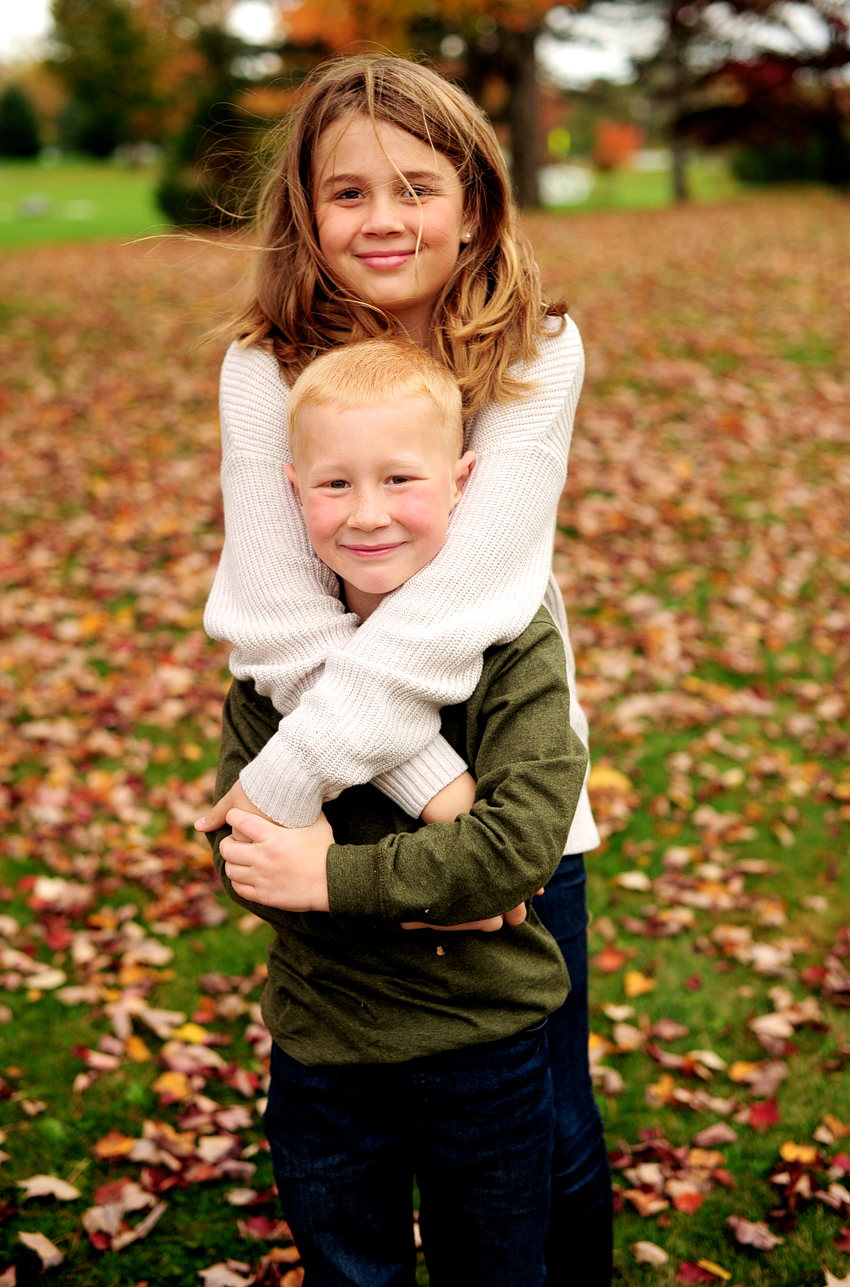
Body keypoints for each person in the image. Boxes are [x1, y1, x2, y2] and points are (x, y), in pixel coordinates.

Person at [194, 54, 613, 1283]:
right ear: (307, 214)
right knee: (349, 1141)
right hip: (385, 786)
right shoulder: (264, 364)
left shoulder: (536, 348)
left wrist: (283, 787)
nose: (385, 221)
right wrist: (433, 801)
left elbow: (467, 604)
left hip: (514, 774)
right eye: (349, 193)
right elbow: (278, 619)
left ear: (477, 200)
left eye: (418, 187)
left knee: (551, 1126)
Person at [208, 336, 589, 1287]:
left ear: (464, 482)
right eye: (335, 485)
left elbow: (517, 852)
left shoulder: (512, 641)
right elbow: (245, 848)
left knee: (496, 1269)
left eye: (399, 479)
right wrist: (426, 883)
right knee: (350, 1269)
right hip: (324, 1046)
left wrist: (328, 879)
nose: (368, 514)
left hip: (484, 1042)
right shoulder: (278, 648)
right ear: (292, 490)